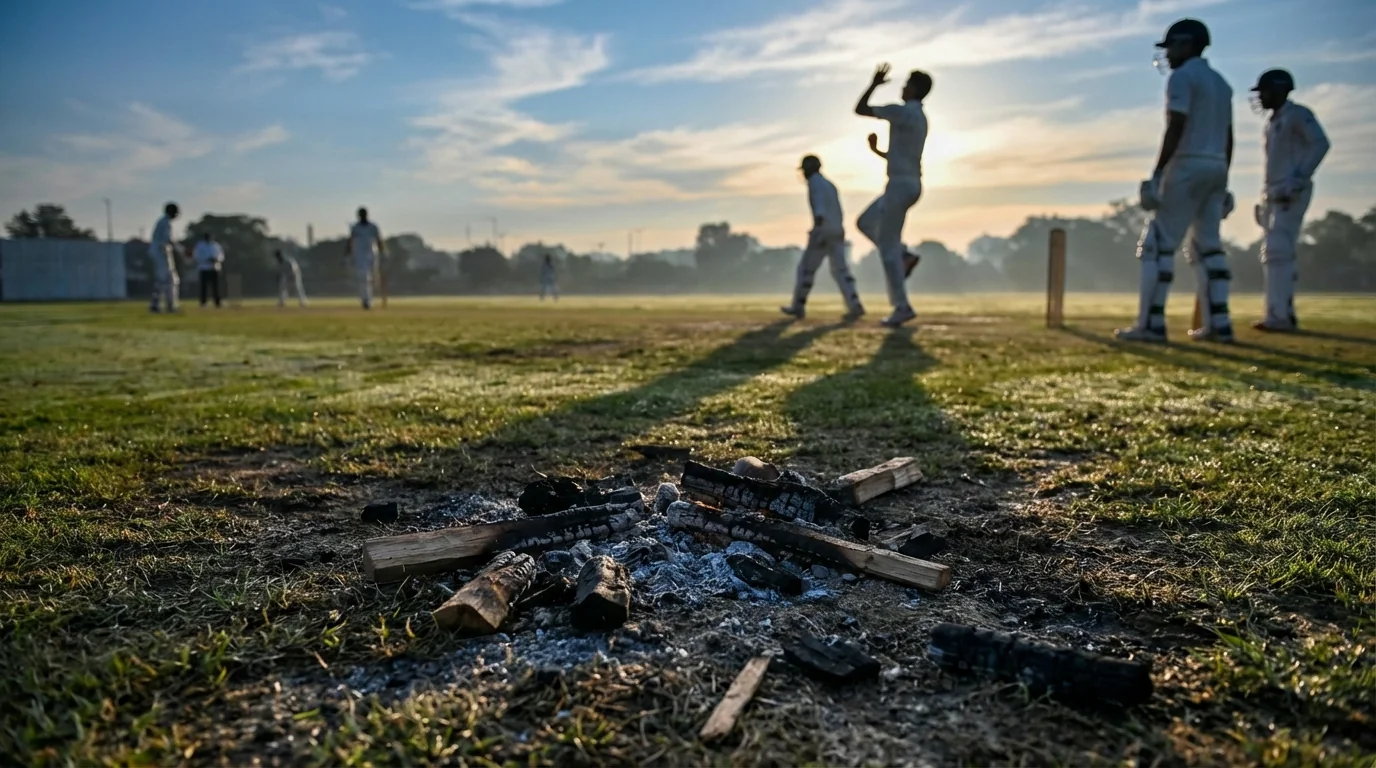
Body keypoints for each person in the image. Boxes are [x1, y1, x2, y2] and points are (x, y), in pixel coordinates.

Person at [1117, 18, 1236, 343]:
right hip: (1215, 166)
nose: (1167, 54)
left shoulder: (1182, 78)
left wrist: (1158, 172)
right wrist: (1224, 177)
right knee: (1208, 247)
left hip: (1187, 165)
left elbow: (1176, 125)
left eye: (1171, 46)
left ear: (1186, 44)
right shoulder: (1222, 83)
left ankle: (1151, 325)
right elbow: (1228, 137)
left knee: (1157, 246)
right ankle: (1219, 325)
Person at [1251, 68, 1329, 332]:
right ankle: (1282, 311)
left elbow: (1320, 144)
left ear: (1280, 89)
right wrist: (1265, 198)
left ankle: (1279, 316)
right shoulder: (1273, 123)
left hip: (1291, 191)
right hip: (1275, 193)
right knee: (1275, 252)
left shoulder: (1298, 114)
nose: (1261, 97)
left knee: (1278, 250)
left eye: (1265, 91)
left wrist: (1298, 179)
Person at [854, 63, 931, 328]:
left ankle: (902, 306)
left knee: (887, 249)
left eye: (907, 83)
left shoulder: (903, 112)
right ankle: (903, 254)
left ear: (916, 89)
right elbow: (900, 156)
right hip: (907, 183)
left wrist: (874, 83)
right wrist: (878, 152)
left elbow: (860, 109)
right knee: (864, 222)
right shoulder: (920, 118)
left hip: (900, 186)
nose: (903, 86)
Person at [781, 154, 864, 321]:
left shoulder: (815, 184)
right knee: (841, 270)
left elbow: (819, 209)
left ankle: (798, 306)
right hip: (837, 229)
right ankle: (855, 304)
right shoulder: (830, 185)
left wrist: (818, 230)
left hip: (823, 230)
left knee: (806, 269)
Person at [345, 207, 385, 309]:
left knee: (372, 278)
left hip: (372, 253)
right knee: (363, 277)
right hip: (360, 255)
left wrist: (383, 252)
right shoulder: (355, 227)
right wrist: (348, 253)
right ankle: (366, 300)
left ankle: (369, 298)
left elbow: (378, 240)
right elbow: (351, 240)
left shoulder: (373, 227)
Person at [148, 202, 184, 313]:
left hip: (160, 251)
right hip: (161, 252)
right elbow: (168, 239)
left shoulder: (163, 221)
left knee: (167, 279)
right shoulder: (165, 222)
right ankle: (165, 304)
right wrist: (180, 250)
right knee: (165, 279)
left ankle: (164, 304)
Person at [192, 232, 225, 308]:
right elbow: (197, 256)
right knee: (204, 287)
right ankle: (203, 302)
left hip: (214, 268)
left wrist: (217, 259)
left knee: (216, 287)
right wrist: (207, 259)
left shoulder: (215, 245)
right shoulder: (200, 245)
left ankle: (217, 302)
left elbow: (221, 255)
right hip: (204, 268)